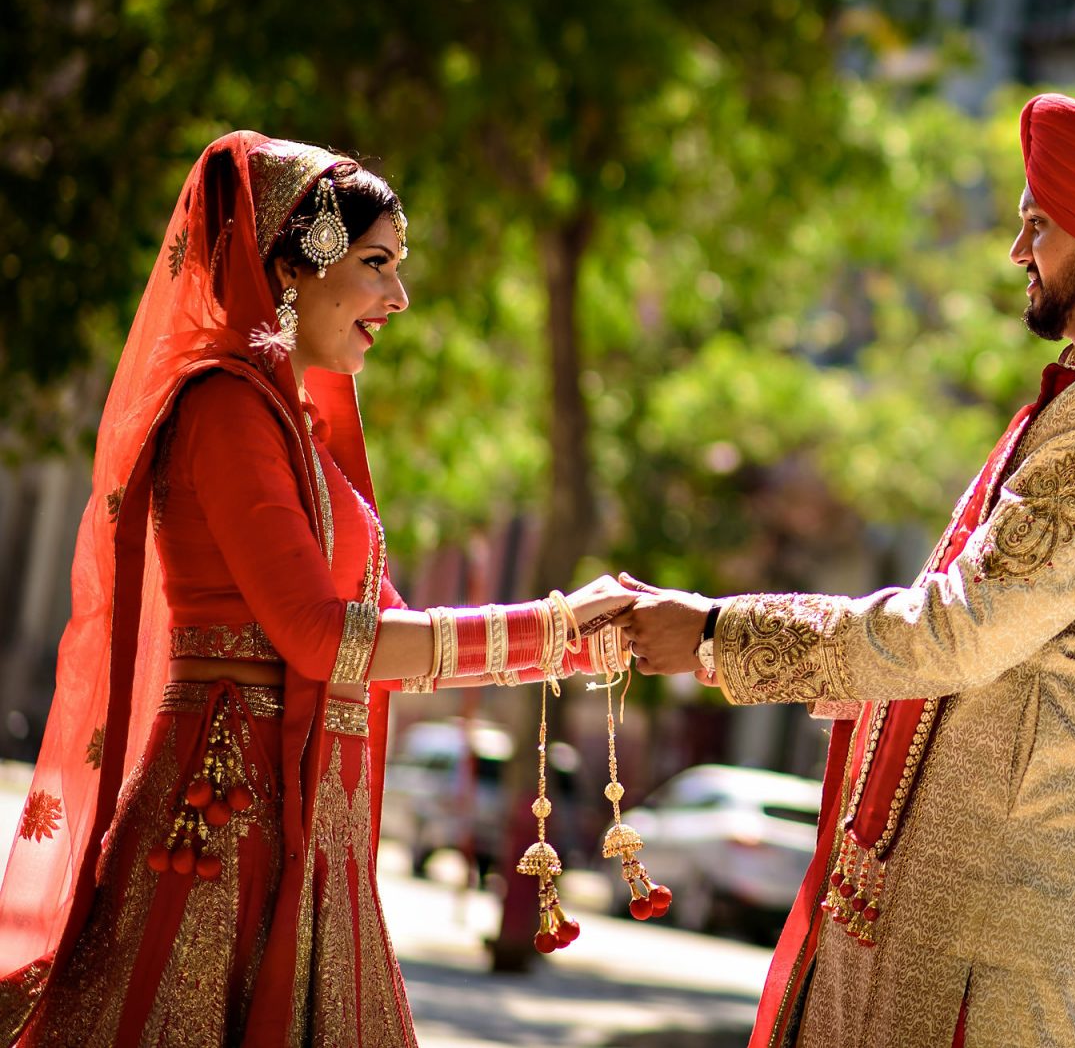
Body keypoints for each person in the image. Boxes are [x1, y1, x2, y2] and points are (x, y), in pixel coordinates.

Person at [615, 93, 1075, 1048]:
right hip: (977, 891)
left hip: (985, 911)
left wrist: (716, 635)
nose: (1018, 251)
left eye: (1036, 223)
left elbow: (960, 627)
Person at [0, 133, 634, 1048]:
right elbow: (324, 637)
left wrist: (571, 635)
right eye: (376, 265)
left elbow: (377, 631)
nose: (398, 296)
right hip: (220, 837)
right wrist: (552, 626)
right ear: (295, 269)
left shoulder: (294, 424)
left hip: (309, 837)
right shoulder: (225, 406)